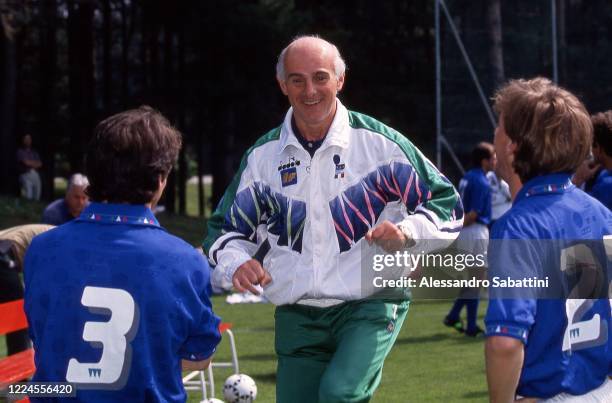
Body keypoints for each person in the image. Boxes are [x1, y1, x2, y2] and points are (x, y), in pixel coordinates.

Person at [204, 36, 463, 403]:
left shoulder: (380, 145)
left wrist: (407, 231)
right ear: (282, 85)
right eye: (297, 79)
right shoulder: (263, 159)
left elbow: (446, 203)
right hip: (297, 312)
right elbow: (224, 230)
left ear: (340, 80)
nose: (310, 90)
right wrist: (237, 264)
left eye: (321, 77)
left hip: (369, 301)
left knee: (339, 394)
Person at [24, 106, 221, 402]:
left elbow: (44, 344)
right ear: (160, 180)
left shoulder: (41, 248)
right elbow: (199, 356)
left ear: (92, 173)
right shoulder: (185, 261)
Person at [485, 78, 612, 402]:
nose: (494, 135)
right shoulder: (600, 214)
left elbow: (506, 342)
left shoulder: (518, 227)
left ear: (513, 144)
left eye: (499, 126)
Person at [444, 142, 495, 337]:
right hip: (475, 231)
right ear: (484, 161)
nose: (495, 161)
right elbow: (473, 213)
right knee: (477, 280)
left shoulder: (467, 177)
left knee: (473, 280)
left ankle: (455, 316)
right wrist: (454, 228)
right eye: (493, 158)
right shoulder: (481, 181)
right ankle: (470, 325)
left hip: (468, 233)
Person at [0, 224, 54, 355]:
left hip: (6, 254)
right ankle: (19, 372)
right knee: (18, 316)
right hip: (4, 257)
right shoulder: (65, 240)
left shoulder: (55, 232)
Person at [572, 110, 612, 210]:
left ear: (598, 147)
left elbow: (577, 211)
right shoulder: (604, 174)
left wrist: (577, 181)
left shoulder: (606, 186)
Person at [16, 134, 42, 200]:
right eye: (26, 139)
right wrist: (33, 163)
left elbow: (40, 164)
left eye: (29, 139)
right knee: (28, 195)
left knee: (37, 194)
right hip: (25, 174)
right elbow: (26, 163)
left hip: (35, 174)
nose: (28, 141)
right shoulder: (20, 151)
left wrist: (30, 163)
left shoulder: (34, 152)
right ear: (23, 140)